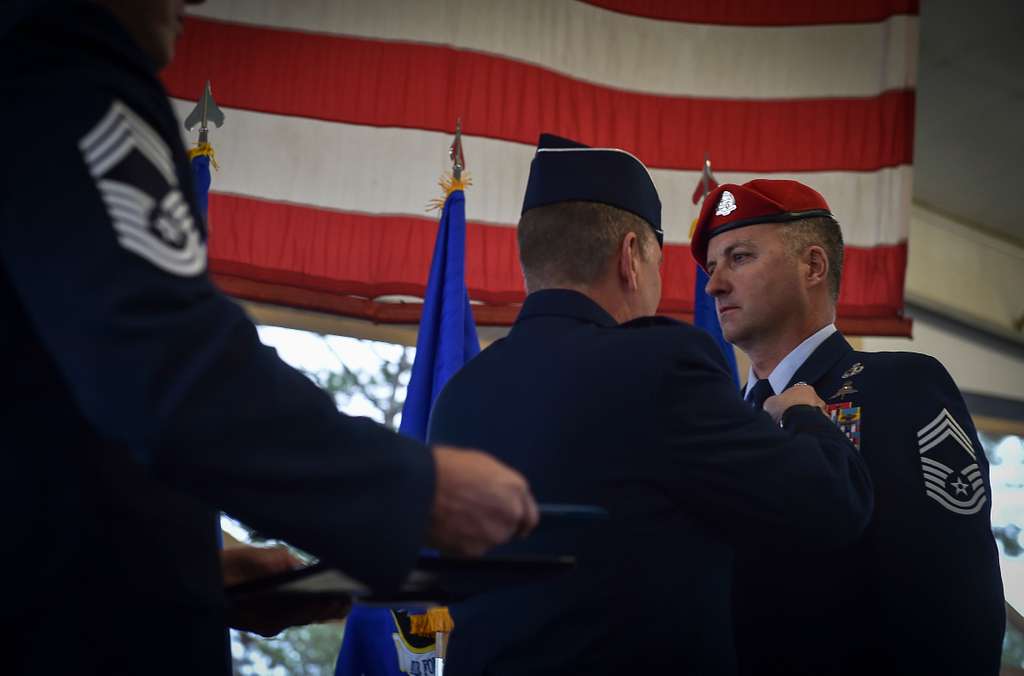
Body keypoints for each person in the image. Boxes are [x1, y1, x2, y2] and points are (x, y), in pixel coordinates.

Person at [0, 1, 537, 673]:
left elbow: (51, 417)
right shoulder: (63, 77)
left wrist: (199, 574)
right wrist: (412, 489)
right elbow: (165, 355)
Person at [424, 134, 875, 675]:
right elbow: (830, 504)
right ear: (631, 258)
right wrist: (804, 413)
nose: (709, 287)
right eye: (664, 263)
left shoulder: (458, 395)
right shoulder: (659, 365)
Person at [690, 179, 1006, 675]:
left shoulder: (899, 386)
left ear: (813, 266)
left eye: (740, 257)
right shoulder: (726, 422)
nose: (713, 284)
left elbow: (953, 586)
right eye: (711, 268)